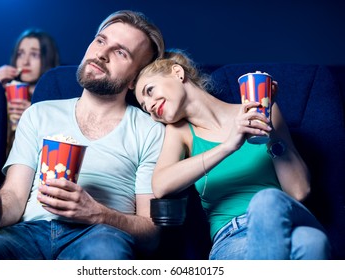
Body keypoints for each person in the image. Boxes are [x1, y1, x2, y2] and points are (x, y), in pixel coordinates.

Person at [0, 10, 165, 260]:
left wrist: (97, 213)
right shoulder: (38, 114)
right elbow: (15, 195)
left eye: (121, 52)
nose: (101, 54)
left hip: (99, 234)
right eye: (101, 40)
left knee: (105, 252)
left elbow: (152, 234)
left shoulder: (149, 130)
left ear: (135, 79)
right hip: (28, 233)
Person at [133, 50, 331, 259]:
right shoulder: (179, 132)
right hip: (233, 236)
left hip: (286, 219)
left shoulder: (263, 112)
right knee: (312, 242)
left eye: (150, 91)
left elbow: (299, 192)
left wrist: (270, 131)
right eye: (145, 108)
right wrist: (229, 145)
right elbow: (161, 185)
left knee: (267, 202)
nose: (151, 107)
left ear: (177, 73)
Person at [0, 28, 60, 155]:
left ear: (48, 58)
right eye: (20, 54)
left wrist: (35, 114)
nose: (25, 62)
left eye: (34, 55)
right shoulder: (2, 91)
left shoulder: (58, 97)